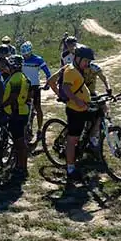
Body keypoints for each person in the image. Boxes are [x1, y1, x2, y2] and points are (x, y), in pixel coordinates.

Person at [48, 45, 93, 180]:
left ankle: (88, 147)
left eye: (89, 62)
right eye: (86, 61)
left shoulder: (69, 67)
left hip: (81, 108)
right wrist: (74, 100)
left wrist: (63, 97)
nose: (87, 64)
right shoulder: (71, 70)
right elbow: (66, 88)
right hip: (75, 110)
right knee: (72, 140)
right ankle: (70, 169)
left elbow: (51, 81)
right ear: (78, 58)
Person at [2, 54, 31, 180]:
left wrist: (2, 105)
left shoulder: (16, 79)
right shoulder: (23, 77)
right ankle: (19, 165)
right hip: (21, 111)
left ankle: (22, 168)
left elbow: (13, 97)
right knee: (19, 142)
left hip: (16, 113)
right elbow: (30, 95)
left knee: (20, 143)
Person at [20, 41, 51, 141]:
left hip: (35, 86)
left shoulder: (38, 59)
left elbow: (47, 73)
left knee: (38, 107)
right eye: (24, 54)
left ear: (30, 52)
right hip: (24, 86)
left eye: (27, 54)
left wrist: (48, 83)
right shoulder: (21, 60)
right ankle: (24, 127)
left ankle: (39, 129)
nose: (25, 56)